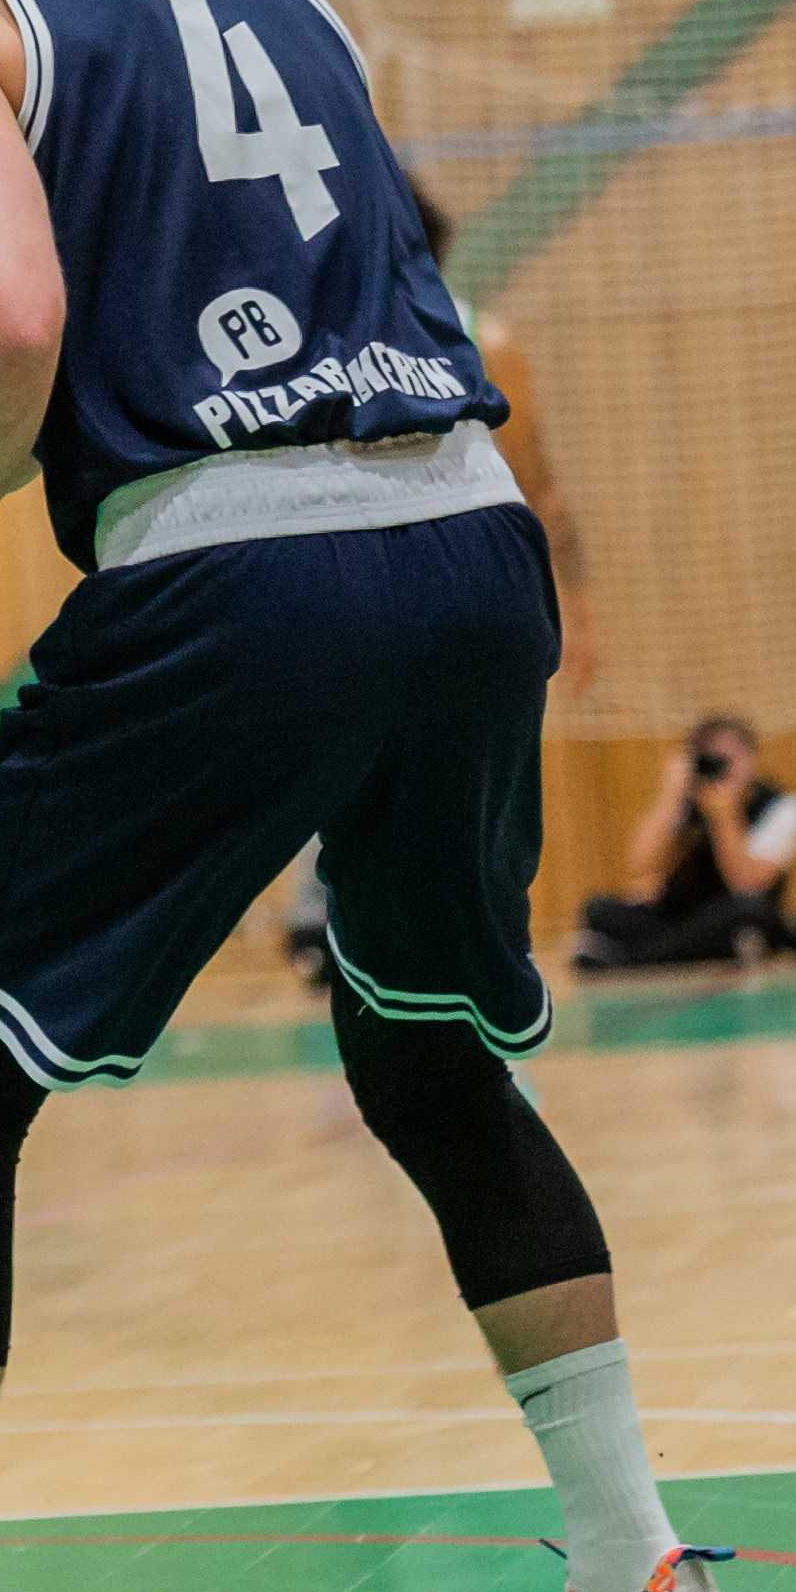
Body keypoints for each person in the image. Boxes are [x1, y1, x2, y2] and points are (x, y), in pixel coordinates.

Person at [0, 0, 756, 1592]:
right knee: (425, 1062)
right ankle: (648, 1586)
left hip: (239, 566)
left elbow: (5, 317)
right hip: (463, 542)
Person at [278, 165, 587, 986]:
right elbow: (544, 499)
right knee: (424, 790)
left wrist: (579, 615)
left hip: (382, 592)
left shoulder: (323, 342)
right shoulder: (464, 339)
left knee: (386, 783)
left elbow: (543, 496)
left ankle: (375, 942)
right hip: (455, 596)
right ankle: (379, 940)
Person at [575, 716, 796, 972]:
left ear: (753, 758)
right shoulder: (686, 801)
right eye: (711, 759)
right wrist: (669, 797)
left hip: (735, 913)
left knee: (748, 911)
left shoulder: (781, 806)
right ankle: (668, 952)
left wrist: (724, 816)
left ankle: (627, 961)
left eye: (731, 758)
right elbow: (640, 863)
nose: (723, 768)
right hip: (687, 915)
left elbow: (747, 884)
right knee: (598, 909)